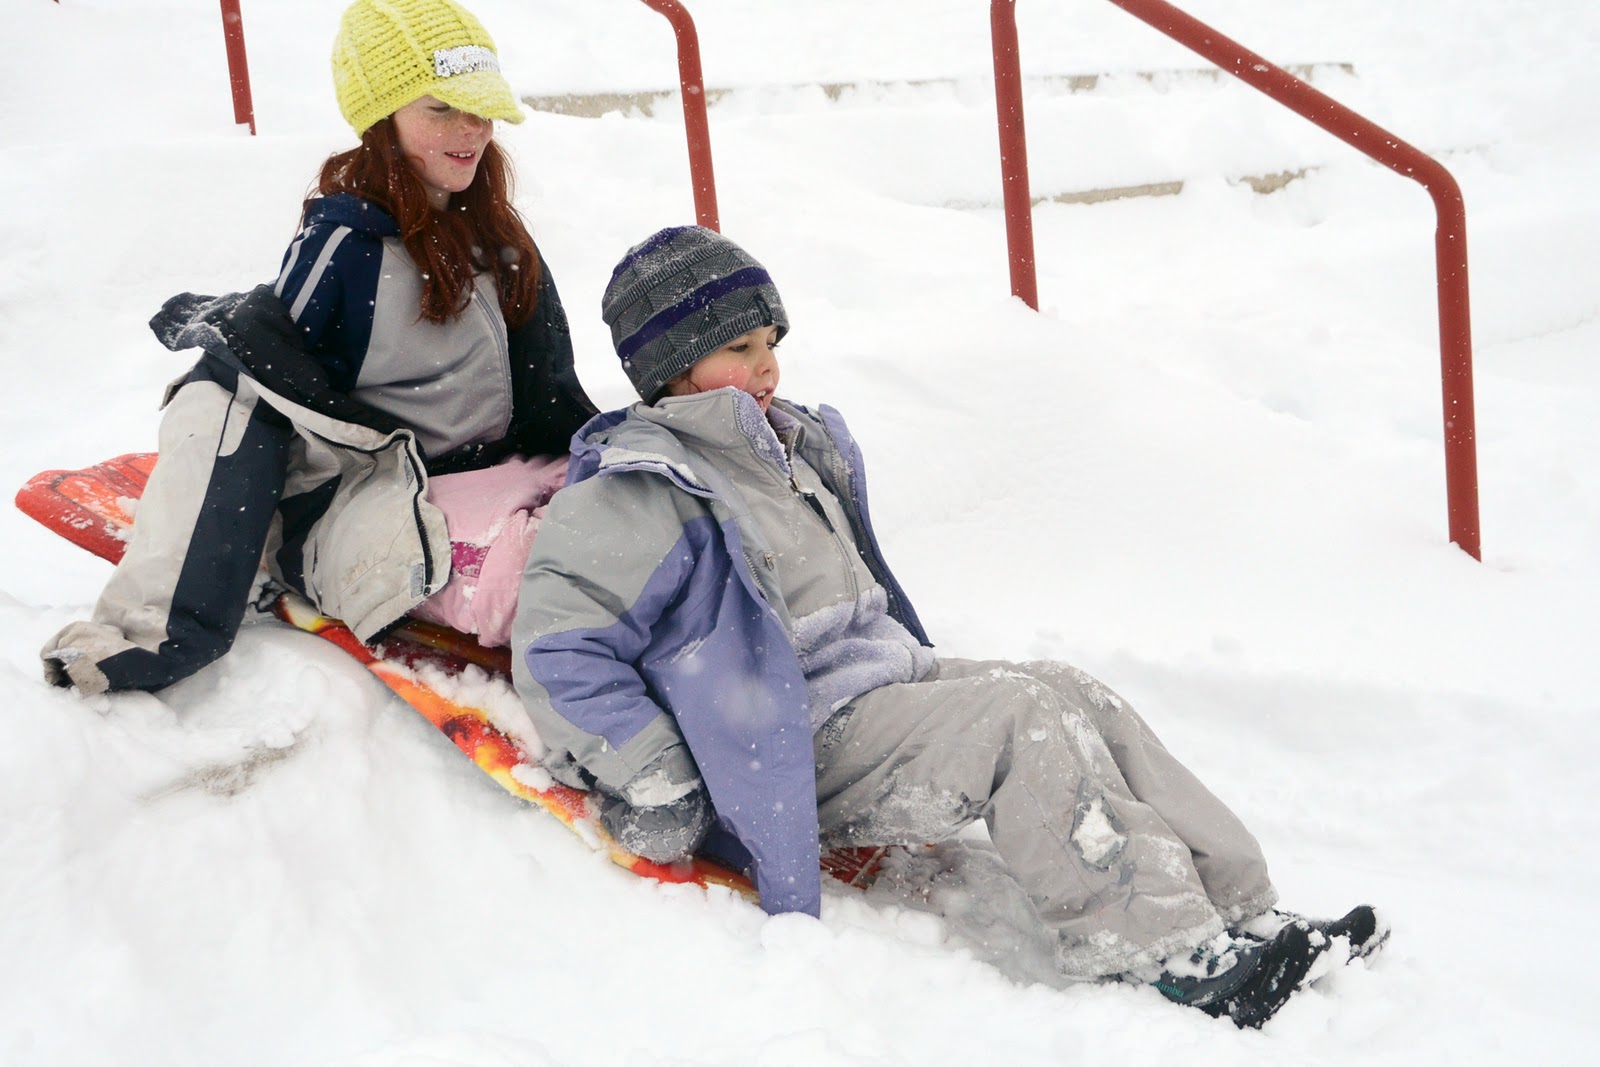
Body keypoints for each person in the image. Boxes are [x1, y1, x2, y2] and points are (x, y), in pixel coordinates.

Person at [511, 225, 1384, 1027]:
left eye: (772, 343)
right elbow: (558, 647)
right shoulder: (637, 488)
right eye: (740, 349)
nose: (769, 366)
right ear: (673, 367)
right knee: (1015, 719)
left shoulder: (779, 448)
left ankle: (1241, 905)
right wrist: (655, 776)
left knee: (1068, 688)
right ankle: (1162, 951)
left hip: (881, 685)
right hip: (791, 738)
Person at [41, 0, 596, 695]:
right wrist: (159, 633)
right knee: (566, 578)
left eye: (479, 107)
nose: (471, 129)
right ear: (383, 118)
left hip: (495, 480)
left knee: (645, 518)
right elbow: (254, 402)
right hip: (384, 502)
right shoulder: (345, 252)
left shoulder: (493, 234)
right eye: (442, 108)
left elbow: (552, 397)